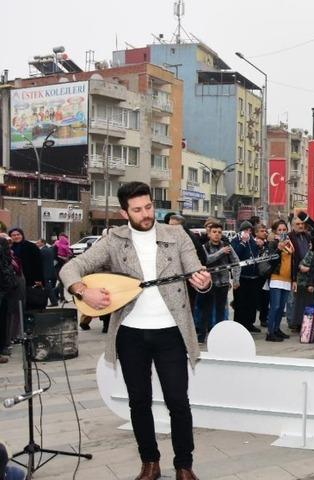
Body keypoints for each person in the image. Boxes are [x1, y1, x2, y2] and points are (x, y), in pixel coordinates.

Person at [59, 182, 211, 480]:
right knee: (139, 402)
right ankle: (149, 463)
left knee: (178, 401)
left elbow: (195, 270)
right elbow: (70, 269)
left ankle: (184, 465)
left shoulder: (176, 234)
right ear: (124, 212)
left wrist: (202, 282)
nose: (146, 214)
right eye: (138, 210)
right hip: (130, 334)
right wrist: (83, 292)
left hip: (171, 332)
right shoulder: (113, 240)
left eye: (149, 207)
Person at [198, 223, 240, 343]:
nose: (217, 234)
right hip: (209, 284)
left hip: (223, 283)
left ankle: (219, 335)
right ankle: (202, 335)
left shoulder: (227, 246)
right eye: (214, 232)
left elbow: (236, 262)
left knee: (220, 310)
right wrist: (221, 252)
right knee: (206, 310)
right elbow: (206, 260)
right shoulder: (205, 247)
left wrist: (236, 279)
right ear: (209, 234)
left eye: (219, 232)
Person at [231, 221, 262, 333]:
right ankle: (239, 325)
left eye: (250, 230)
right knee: (240, 303)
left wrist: (259, 246)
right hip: (242, 277)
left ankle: (250, 324)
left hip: (253, 277)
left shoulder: (253, 241)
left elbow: (256, 255)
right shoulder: (236, 241)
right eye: (246, 230)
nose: (248, 232)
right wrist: (243, 242)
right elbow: (236, 255)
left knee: (252, 302)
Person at [265, 220, 294, 342]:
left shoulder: (290, 243)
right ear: (275, 232)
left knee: (282, 307)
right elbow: (271, 260)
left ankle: (277, 329)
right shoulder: (273, 243)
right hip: (276, 277)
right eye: (280, 230)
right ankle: (270, 332)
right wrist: (278, 249)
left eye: (284, 230)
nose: (282, 232)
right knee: (275, 306)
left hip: (287, 278)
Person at [36, 239, 59, 306]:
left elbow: (39, 262)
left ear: (43, 243)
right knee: (48, 287)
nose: (36, 244)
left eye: (38, 243)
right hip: (51, 271)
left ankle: (54, 301)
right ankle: (53, 300)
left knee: (48, 288)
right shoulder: (50, 250)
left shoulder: (42, 251)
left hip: (45, 272)